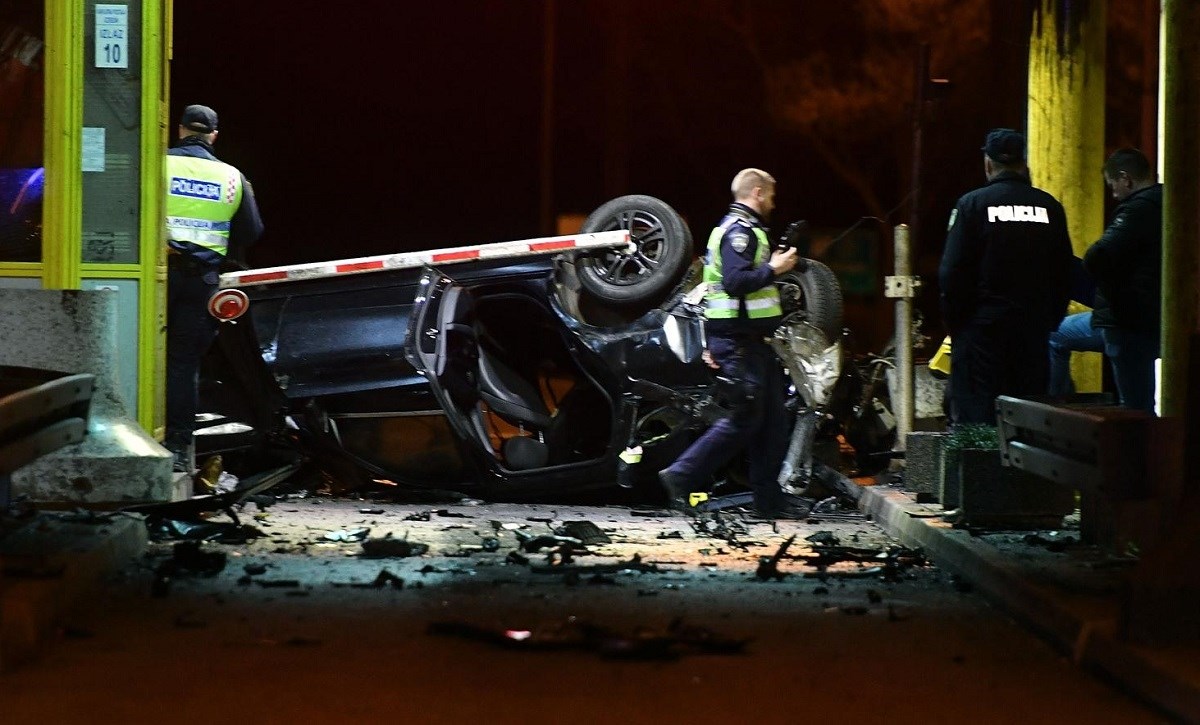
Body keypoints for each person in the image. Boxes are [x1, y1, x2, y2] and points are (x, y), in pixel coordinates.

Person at [658, 168, 804, 518]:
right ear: (757, 192)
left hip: (755, 343)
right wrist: (776, 268)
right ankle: (680, 475)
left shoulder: (747, 230)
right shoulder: (739, 232)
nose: (772, 202)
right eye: (770, 195)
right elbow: (736, 282)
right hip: (738, 344)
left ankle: (769, 503)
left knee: (772, 423)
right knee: (745, 419)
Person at [938, 128, 1073, 425]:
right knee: (1027, 417)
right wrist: (1049, 319)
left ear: (988, 163)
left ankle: (984, 472)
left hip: (982, 333)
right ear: (1025, 163)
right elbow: (1065, 271)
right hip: (1032, 333)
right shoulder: (1050, 207)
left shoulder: (972, 205)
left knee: (979, 419)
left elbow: (952, 273)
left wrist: (958, 324)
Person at [164, 104, 264, 471]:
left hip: (157, 275)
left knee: (140, 355)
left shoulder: (158, 164)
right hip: (201, 280)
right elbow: (251, 232)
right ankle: (176, 449)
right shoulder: (232, 177)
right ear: (213, 136)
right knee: (183, 364)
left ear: (179, 130)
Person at [1082, 148, 1162, 414]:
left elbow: (1099, 254)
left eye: (1112, 185)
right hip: (1154, 316)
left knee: (1135, 407)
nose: (1113, 194)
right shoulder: (1170, 203)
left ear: (1125, 179)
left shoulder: (1138, 208)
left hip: (1126, 319)